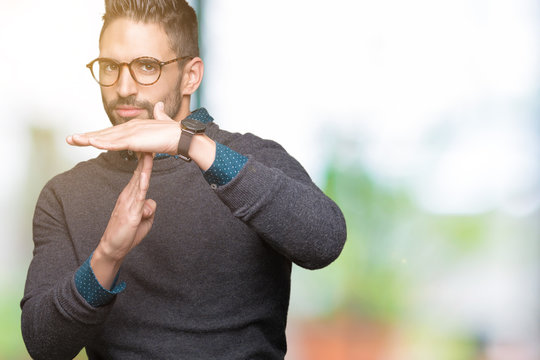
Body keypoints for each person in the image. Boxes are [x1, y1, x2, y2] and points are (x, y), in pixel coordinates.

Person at [20, 0, 347, 359]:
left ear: (191, 75)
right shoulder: (67, 195)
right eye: (111, 66)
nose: (124, 86)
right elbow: (44, 346)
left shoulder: (254, 160)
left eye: (147, 66)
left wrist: (188, 143)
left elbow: (325, 240)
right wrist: (108, 255)